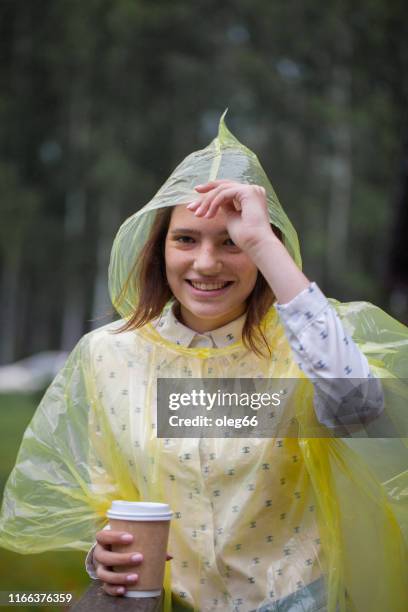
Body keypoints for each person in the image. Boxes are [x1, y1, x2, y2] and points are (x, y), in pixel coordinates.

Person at [0, 113, 407, 612]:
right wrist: (103, 553)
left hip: (300, 598)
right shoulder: (108, 353)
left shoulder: (304, 347)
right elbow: (106, 492)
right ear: (158, 250)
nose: (207, 263)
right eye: (186, 239)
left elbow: (358, 407)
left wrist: (262, 241)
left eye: (232, 242)